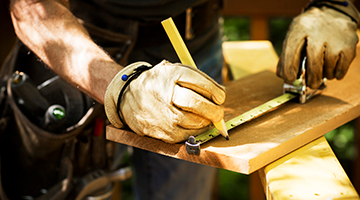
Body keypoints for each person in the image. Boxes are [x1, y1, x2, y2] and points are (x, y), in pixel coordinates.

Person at [0, 0, 359, 199]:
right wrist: (121, 86)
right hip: (78, 54)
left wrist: (335, 4)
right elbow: (32, 8)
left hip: (198, 42)